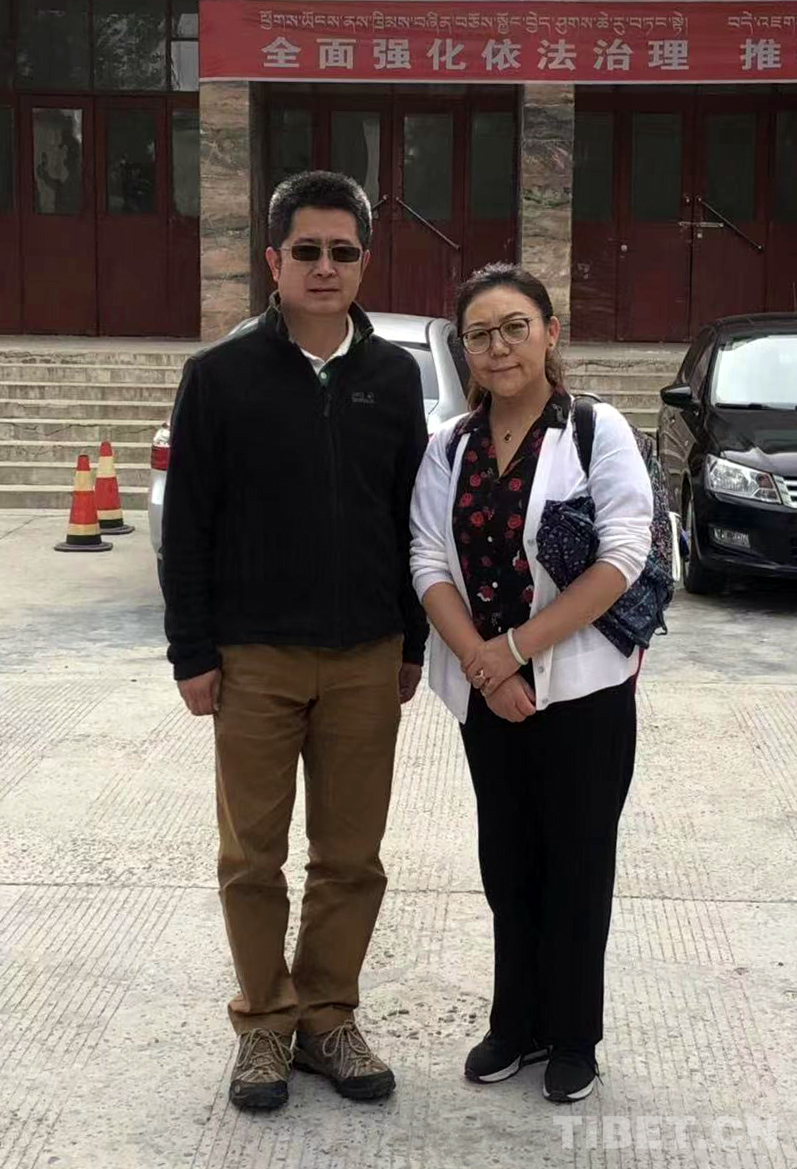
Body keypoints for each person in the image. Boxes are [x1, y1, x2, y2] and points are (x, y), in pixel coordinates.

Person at [162, 171, 428, 1112]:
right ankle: (264, 1024)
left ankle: (326, 1016)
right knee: (251, 856)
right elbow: (187, 525)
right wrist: (192, 651)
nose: (324, 267)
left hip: (365, 655)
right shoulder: (219, 377)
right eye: (306, 251)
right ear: (272, 261)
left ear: (363, 263)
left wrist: (411, 644)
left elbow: (410, 519)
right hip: (254, 657)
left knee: (351, 855)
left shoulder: (393, 378)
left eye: (341, 252)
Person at [409, 264, 653, 1103]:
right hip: (487, 695)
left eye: (515, 327)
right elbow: (427, 559)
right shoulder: (448, 445)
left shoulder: (594, 430)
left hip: (584, 694)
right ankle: (515, 1022)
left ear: (550, 333)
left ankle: (573, 1035)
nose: (498, 347)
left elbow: (623, 555)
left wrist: (514, 649)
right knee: (506, 861)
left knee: (578, 863)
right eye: (479, 334)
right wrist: (484, 666)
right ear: (464, 350)